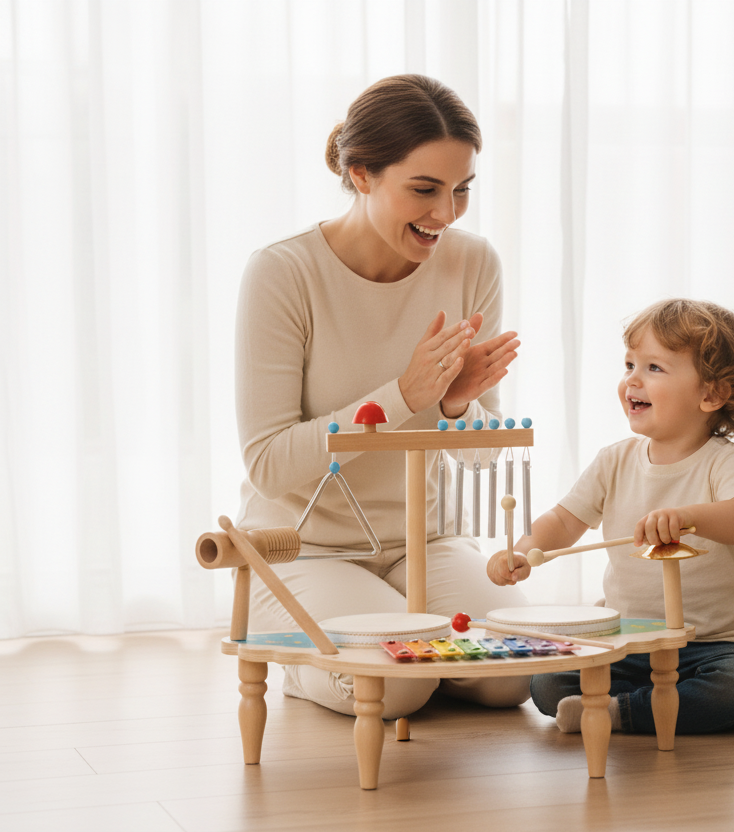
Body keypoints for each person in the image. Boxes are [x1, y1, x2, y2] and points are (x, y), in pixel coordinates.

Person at [235, 74, 531, 719]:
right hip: (305, 547)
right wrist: (401, 395)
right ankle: (298, 657)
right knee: (401, 684)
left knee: (514, 675)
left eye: (461, 191)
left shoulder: (473, 264)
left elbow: (481, 460)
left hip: (426, 541)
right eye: (424, 190)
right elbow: (267, 462)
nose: (446, 215)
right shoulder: (283, 273)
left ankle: (392, 642)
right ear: (362, 173)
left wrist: (456, 406)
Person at [486, 299, 734, 735]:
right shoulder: (614, 461)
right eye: (629, 365)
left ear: (711, 394)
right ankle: (641, 706)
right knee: (547, 682)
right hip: (626, 642)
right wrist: (523, 551)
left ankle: (620, 712)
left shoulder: (725, 463)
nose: (631, 381)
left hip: (712, 647)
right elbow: (564, 521)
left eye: (654, 368)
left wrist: (688, 516)